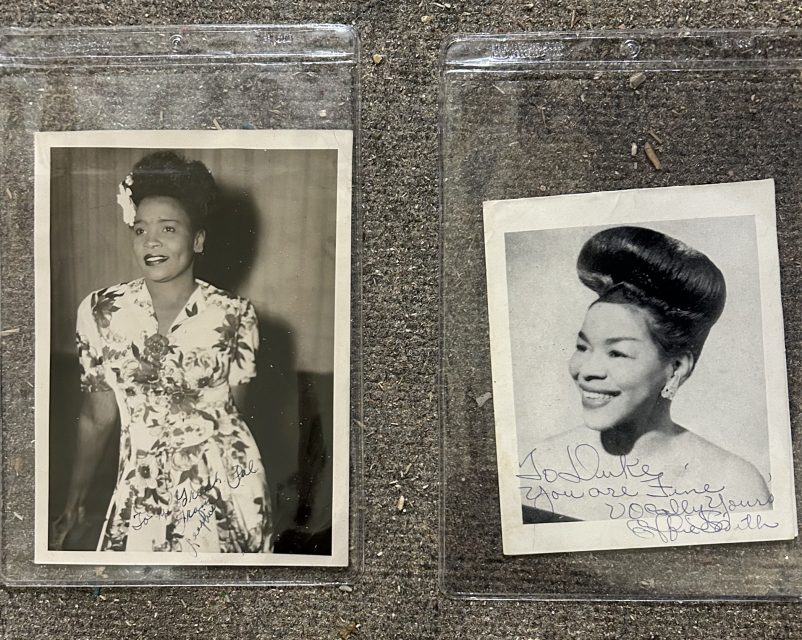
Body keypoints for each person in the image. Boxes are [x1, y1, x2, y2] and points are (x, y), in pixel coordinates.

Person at [51, 151, 272, 554]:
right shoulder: (100, 312)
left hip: (227, 496)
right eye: (140, 230)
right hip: (140, 491)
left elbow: (235, 418)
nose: (151, 241)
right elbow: (98, 417)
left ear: (198, 239)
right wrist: (75, 502)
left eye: (168, 228)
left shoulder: (236, 314)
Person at [521, 226, 771, 525]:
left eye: (617, 353)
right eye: (582, 347)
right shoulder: (543, 464)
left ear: (676, 368)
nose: (587, 371)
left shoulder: (733, 485)